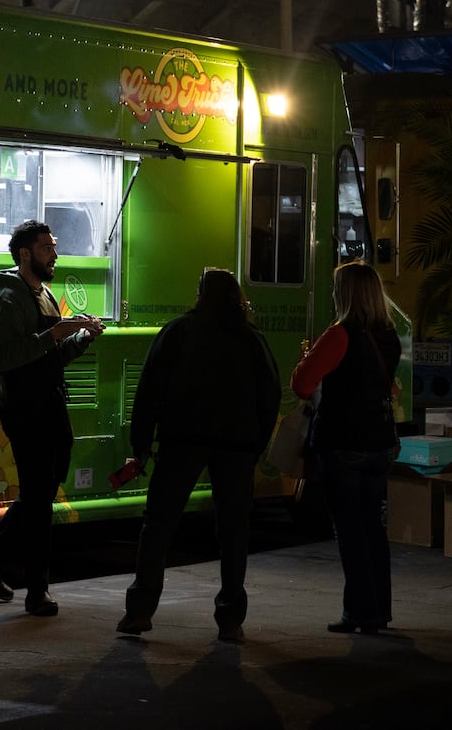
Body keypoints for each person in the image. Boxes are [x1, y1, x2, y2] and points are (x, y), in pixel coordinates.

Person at [115, 269, 279, 643]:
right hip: (236, 447)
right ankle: (230, 619)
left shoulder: (177, 332)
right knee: (234, 532)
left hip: (181, 443)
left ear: (200, 294)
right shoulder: (251, 340)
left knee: (159, 525)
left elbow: (149, 391)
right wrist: (256, 445)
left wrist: (140, 445)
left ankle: (139, 611)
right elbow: (269, 395)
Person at [0, 220, 104, 615]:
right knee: (39, 500)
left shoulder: (44, 295)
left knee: (41, 492)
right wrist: (56, 335)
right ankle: (36, 591)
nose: (54, 254)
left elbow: (49, 356)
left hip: (51, 404)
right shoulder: (6, 300)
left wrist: (80, 339)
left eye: (53, 246)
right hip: (26, 408)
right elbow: (5, 358)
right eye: (46, 248)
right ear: (25, 255)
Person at [289, 260, 403, 634]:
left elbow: (302, 385)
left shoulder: (339, 334)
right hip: (380, 442)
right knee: (372, 528)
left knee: (350, 531)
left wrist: (306, 360)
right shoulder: (389, 335)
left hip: (344, 443)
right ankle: (378, 610)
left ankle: (359, 612)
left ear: (346, 293)